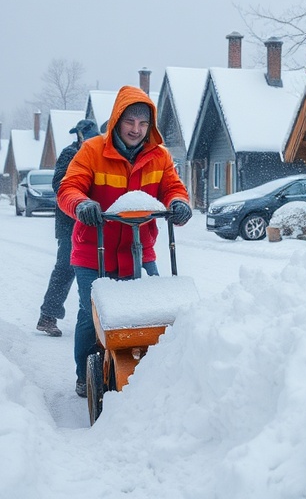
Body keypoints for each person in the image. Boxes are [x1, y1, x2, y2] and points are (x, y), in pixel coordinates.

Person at [57, 86, 193, 397]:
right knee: (92, 315)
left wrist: (178, 203)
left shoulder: (160, 156)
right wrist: (81, 204)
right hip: (94, 250)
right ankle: (85, 375)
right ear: (118, 120)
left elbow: (173, 188)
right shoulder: (92, 150)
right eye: (130, 121)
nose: (136, 129)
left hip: (139, 250)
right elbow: (69, 188)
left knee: (154, 311)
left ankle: (149, 369)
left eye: (143, 123)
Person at [36, 118, 101, 337]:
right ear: (79, 136)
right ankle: (47, 316)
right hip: (70, 221)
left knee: (98, 269)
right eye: (87, 137)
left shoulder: (98, 154)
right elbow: (59, 184)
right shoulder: (69, 154)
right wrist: (80, 196)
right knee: (66, 268)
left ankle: (100, 318)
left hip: (92, 221)